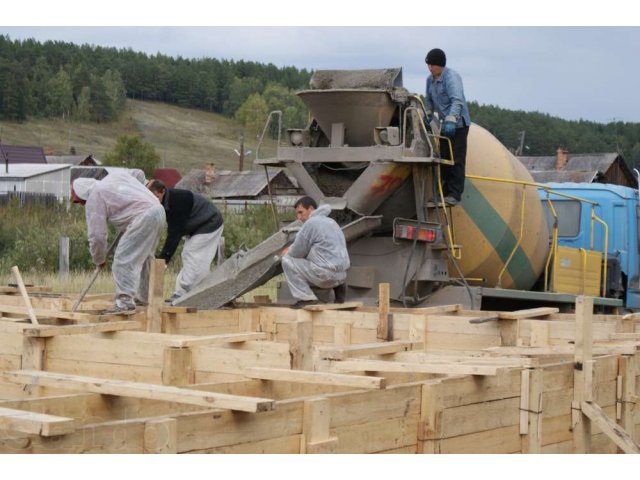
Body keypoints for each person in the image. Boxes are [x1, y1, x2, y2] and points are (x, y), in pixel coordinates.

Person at [72, 171, 166, 315]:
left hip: (143, 216)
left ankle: (125, 302)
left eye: (79, 201)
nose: (80, 205)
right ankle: (145, 298)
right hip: (158, 210)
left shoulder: (94, 197)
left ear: (83, 195)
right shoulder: (114, 177)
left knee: (123, 259)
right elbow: (138, 174)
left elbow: (97, 236)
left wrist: (99, 259)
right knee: (145, 257)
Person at [146, 179, 224, 304]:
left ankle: (191, 294)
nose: (151, 200)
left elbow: (174, 234)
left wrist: (163, 259)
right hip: (196, 226)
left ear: (162, 192)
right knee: (187, 255)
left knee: (193, 255)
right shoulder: (165, 202)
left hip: (209, 222)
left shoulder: (177, 201)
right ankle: (182, 293)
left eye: (154, 197)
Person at [282, 196, 350, 309]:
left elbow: (296, 252)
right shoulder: (331, 222)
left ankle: (306, 299)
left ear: (311, 209)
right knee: (317, 256)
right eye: (297, 214)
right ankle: (339, 289)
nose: (299, 217)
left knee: (287, 259)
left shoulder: (311, 223)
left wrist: (287, 250)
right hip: (341, 275)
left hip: (325, 276)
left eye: (300, 212)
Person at [424, 48, 471, 206]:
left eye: (433, 65)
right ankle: (442, 193)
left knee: (457, 159)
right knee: (444, 159)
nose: (430, 68)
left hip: (458, 124)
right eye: (428, 65)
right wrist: (428, 114)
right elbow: (428, 99)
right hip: (446, 124)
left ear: (441, 65)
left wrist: (451, 120)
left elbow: (457, 100)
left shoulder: (452, 78)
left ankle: (455, 194)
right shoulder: (429, 80)